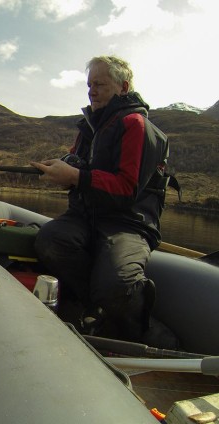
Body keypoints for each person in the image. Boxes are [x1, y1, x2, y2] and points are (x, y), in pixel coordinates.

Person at [30, 55, 178, 348]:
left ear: (123, 87)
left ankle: (150, 333)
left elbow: (126, 188)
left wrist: (74, 176)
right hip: (84, 217)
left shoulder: (136, 125)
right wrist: (61, 168)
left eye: (99, 84)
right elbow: (79, 166)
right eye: (89, 84)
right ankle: (95, 309)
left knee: (117, 283)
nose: (91, 91)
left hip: (128, 223)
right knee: (49, 240)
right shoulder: (88, 127)